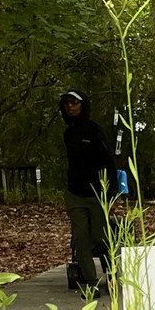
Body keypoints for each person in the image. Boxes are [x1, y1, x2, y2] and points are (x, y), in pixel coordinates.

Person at [59, 91, 111, 291]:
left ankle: (111, 272)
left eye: (75, 103)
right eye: (67, 104)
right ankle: (91, 282)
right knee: (80, 239)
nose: (70, 107)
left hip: (97, 192)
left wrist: (111, 190)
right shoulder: (68, 133)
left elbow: (108, 161)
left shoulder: (95, 130)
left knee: (99, 237)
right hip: (75, 193)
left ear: (83, 105)